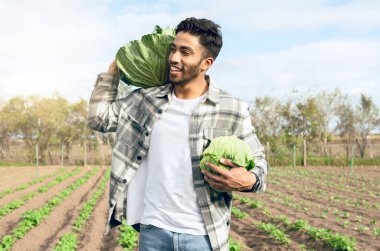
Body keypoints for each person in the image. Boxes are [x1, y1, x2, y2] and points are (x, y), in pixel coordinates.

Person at [88, 17, 268, 251]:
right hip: (153, 230)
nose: (173, 58)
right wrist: (114, 69)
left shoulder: (231, 108)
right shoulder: (145, 100)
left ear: (206, 63)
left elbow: (260, 167)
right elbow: (99, 118)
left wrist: (248, 180)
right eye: (172, 49)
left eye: (185, 52)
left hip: (202, 235)